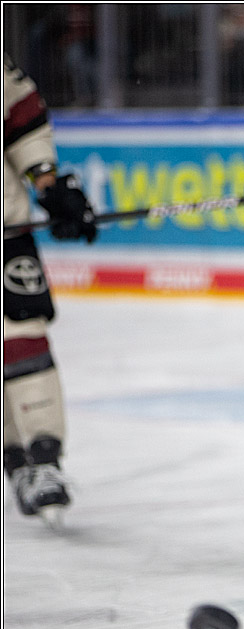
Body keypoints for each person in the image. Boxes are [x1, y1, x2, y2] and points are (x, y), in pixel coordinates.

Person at [3, 53, 98, 524]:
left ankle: (43, 459)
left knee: (23, 337)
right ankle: (16, 459)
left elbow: (21, 114)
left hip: (6, 232)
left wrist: (47, 182)